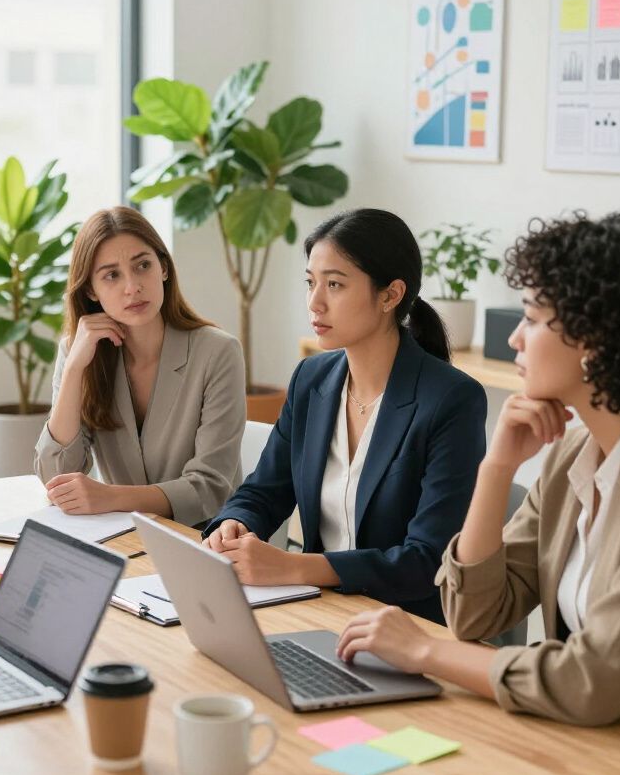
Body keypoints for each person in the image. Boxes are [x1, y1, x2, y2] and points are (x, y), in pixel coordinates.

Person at [336, 212, 620, 733]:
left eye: (531, 318)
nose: (514, 340)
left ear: (595, 336)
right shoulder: (573, 456)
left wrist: (425, 650)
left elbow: (592, 680)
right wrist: (497, 467)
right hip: (588, 748)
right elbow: (475, 616)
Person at [203, 208, 487, 624]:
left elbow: (427, 560)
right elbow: (263, 492)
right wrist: (234, 524)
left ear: (390, 295)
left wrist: (295, 567)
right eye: (310, 282)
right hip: (320, 611)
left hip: (407, 628)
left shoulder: (452, 400)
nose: (315, 302)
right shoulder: (312, 379)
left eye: (334, 284)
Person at [34, 206, 245, 527]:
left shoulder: (217, 351)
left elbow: (211, 487)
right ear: (90, 289)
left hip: (205, 537)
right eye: (111, 275)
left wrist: (111, 497)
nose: (132, 286)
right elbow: (57, 478)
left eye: (142, 265)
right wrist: (75, 368)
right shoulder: (78, 352)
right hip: (123, 535)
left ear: (163, 268)